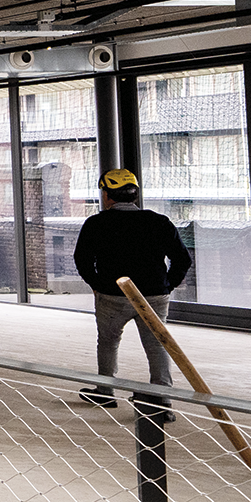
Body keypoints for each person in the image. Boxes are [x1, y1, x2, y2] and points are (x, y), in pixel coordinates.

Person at [71, 169, 193, 407]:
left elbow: (82, 260)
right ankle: (162, 399)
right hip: (154, 296)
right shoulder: (159, 222)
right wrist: (167, 285)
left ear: (107, 195)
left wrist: (97, 285)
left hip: (112, 295)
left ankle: (105, 392)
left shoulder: (96, 223)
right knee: (157, 344)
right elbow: (183, 259)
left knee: (108, 341)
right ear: (135, 195)